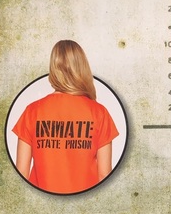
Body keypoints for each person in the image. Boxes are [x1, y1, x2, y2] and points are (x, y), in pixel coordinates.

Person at [12, 40, 118, 194]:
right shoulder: (99, 113)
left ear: (53, 68)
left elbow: (21, 175)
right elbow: (104, 176)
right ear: (82, 67)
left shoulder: (32, 111)